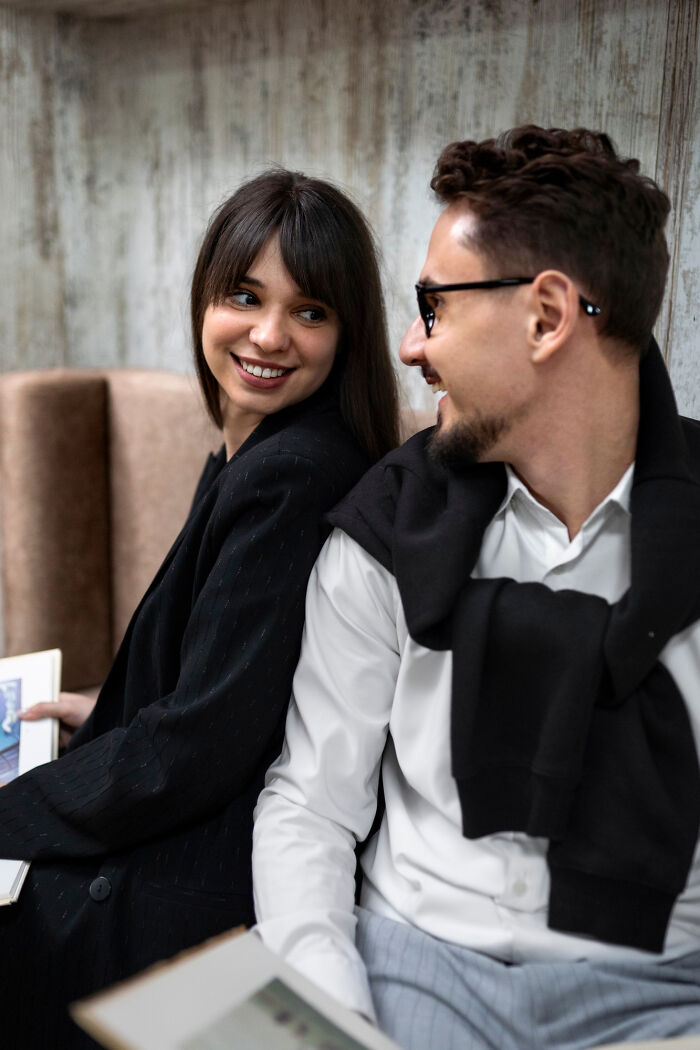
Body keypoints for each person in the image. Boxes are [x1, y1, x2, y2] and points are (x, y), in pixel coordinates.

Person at [253, 127, 700, 1050]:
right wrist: (331, 1017)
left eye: (433, 306)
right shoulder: (383, 531)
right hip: (409, 971)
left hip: (664, 994)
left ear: (545, 316)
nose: (414, 347)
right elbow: (310, 805)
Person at [0, 168, 399, 1049]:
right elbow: (225, 686)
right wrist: (107, 711)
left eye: (310, 311)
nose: (268, 335)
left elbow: (198, 749)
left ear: (347, 333)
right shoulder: (248, 447)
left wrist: (12, 810)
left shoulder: (291, 473)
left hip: (187, 895)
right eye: (245, 295)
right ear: (204, 300)